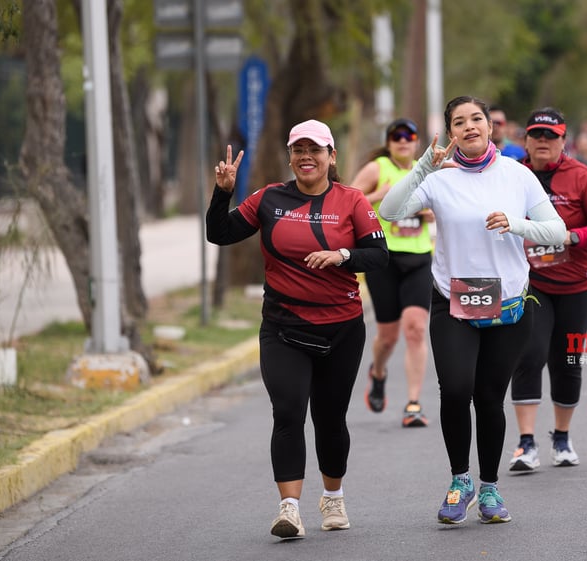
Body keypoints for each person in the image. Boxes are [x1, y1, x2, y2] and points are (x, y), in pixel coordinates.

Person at [380, 96, 566, 525]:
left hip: (509, 302)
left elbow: (558, 230)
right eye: (459, 122)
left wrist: (516, 224)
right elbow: (389, 212)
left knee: (488, 398)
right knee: (457, 389)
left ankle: (489, 488)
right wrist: (424, 166)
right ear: (450, 132)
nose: (469, 127)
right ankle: (459, 480)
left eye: (476, 119)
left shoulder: (517, 175)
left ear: (488, 126)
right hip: (452, 299)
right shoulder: (438, 178)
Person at [205, 120, 389, 540]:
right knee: (288, 412)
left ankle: (333, 496)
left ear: (332, 156)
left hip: (341, 329)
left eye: (315, 149)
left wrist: (342, 255)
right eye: (298, 149)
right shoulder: (270, 198)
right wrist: (223, 192)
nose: (306, 157)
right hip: (283, 327)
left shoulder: (353, 200)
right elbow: (219, 234)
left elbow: (379, 256)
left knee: (329, 418)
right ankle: (289, 508)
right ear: (290, 156)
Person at [507, 108, 587, 472]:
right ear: (525, 140)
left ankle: (561, 436)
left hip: (575, 284)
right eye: (536, 135)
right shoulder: (511, 175)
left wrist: (573, 236)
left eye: (550, 136)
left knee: (567, 360)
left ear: (562, 141)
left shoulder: (582, 177)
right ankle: (526, 444)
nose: (543, 141)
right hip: (530, 283)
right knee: (529, 353)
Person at [349, 118, 434, 427]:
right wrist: (378, 195)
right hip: (383, 259)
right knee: (387, 337)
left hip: (420, 258)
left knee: (415, 328)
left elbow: (440, 205)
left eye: (409, 136)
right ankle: (379, 372)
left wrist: (428, 212)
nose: (402, 141)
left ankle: (413, 404)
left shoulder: (424, 170)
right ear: (388, 142)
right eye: (396, 136)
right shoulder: (378, 168)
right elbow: (347, 201)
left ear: (416, 141)